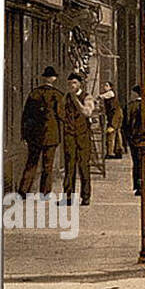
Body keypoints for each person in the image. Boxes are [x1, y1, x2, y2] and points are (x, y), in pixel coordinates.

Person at [18, 66, 65, 198]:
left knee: (31, 163)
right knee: (47, 165)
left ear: (44, 78)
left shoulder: (34, 93)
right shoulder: (57, 95)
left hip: (34, 135)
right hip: (51, 135)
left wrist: (24, 133)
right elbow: (62, 115)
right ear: (53, 79)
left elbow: (26, 115)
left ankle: (23, 191)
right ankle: (44, 193)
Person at [61, 72, 94, 205]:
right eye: (69, 84)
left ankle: (85, 197)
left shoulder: (87, 97)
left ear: (80, 84)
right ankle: (68, 197)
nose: (72, 86)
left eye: (74, 83)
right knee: (69, 166)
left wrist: (76, 100)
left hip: (83, 135)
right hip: (69, 134)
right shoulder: (66, 97)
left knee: (84, 166)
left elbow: (87, 112)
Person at [121, 85, 145, 195]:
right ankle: (143, 184)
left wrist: (127, 138)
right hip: (144, 138)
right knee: (143, 162)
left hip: (133, 138)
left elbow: (125, 124)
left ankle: (137, 185)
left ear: (136, 94)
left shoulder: (129, 106)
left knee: (136, 162)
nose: (130, 96)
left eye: (132, 94)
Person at [99, 81, 122, 158]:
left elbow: (101, 96)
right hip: (114, 115)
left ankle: (110, 152)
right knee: (116, 133)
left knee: (111, 133)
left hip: (115, 115)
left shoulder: (110, 93)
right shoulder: (109, 94)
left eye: (106, 85)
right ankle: (118, 150)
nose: (104, 87)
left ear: (110, 87)